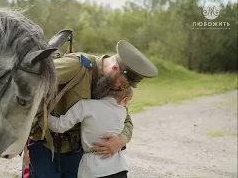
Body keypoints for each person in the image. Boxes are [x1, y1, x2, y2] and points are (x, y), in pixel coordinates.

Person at [26, 40, 158, 178]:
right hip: (46, 149)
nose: (121, 88)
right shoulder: (77, 66)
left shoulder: (113, 86)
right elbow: (32, 81)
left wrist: (121, 141)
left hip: (78, 153)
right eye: (123, 83)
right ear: (115, 68)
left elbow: (126, 118)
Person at [47, 80, 134, 178]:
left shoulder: (85, 106)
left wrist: (45, 115)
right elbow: (128, 124)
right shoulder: (122, 111)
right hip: (118, 167)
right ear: (124, 99)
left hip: (93, 169)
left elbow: (59, 126)